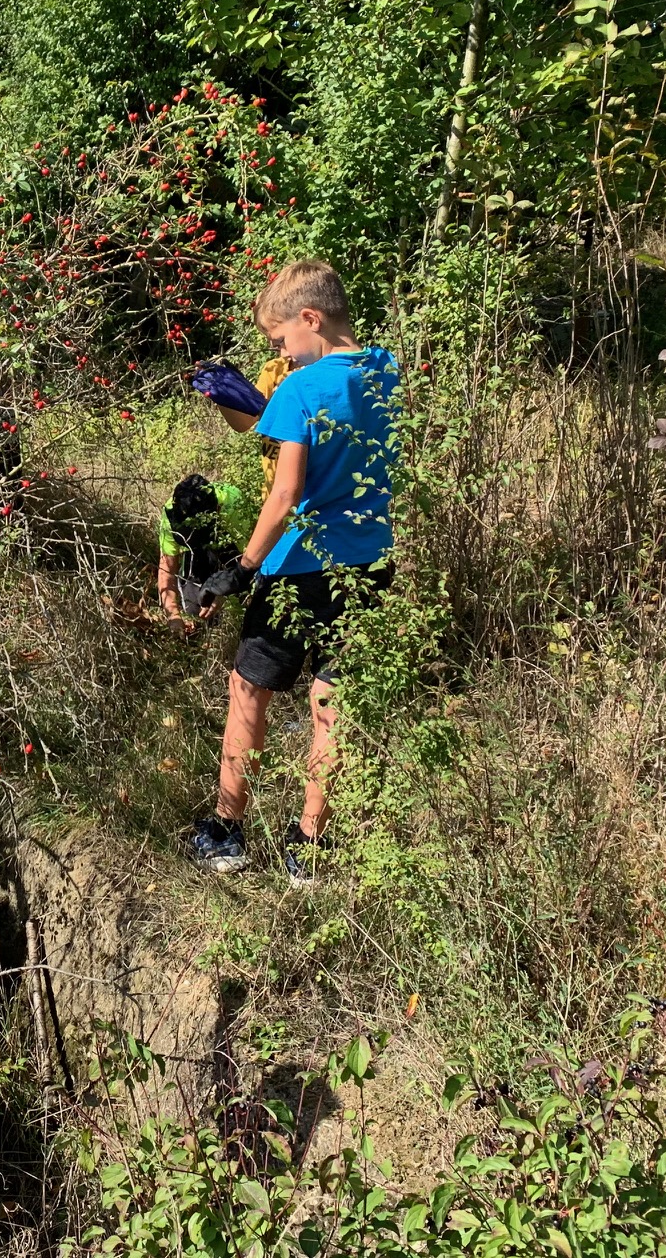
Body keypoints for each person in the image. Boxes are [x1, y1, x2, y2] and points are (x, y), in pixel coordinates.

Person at [185, 261, 398, 881]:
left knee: (249, 691)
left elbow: (285, 493)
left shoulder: (301, 388)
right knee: (331, 702)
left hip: (298, 568)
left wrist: (242, 567)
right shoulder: (388, 371)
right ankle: (309, 845)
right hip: (369, 563)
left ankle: (226, 833)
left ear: (312, 318)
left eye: (280, 339)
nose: (280, 352)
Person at [156, 472, 251, 629]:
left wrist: (225, 592)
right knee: (196, 610)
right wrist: (173, 615)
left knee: (244, 604)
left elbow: (250, 561)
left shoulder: (233, 505)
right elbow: (166, 571)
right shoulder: (171, 514)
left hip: (231, 546)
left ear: (217, 510)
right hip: (196, 555)